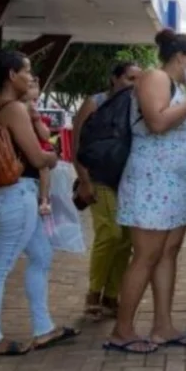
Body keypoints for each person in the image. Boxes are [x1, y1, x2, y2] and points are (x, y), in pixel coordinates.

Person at [104, 30, 186, 354]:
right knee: (146, 256)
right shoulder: (155, 77)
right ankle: (122, 330)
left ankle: (162, 326)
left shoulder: (176, 86)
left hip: (173, 183)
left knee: (168, 253)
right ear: (180, 57)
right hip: (151, 182)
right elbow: (157, 122)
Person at [0, 49, 80, 356]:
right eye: (26, 71)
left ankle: (43, 327)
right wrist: (52, 155)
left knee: (41, 254)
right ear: (11, 75)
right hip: (16, 195)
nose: (31, 77)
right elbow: (37, 156)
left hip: (4, 194)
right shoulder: (15, 109)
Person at [72, 61, 142, 318]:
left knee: (125, 240)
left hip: (126, 181)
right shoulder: (95, 103)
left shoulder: (137, 106)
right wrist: (84, 180)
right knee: (109, 233)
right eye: (130, 79)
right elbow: (77, 144)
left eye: (138, 80)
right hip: (98, 178)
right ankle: (94, 293)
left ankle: (112, 296)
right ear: (114, 79)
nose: (134, 85)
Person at [24, 77, 53, 217]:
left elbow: (45, 136)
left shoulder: (35, 112)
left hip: (38, 146)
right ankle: (44, 199)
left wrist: (36, 119)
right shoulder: (14, 110)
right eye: (31, 87)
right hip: (28, 149)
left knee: (44, 168)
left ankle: (44, 199)